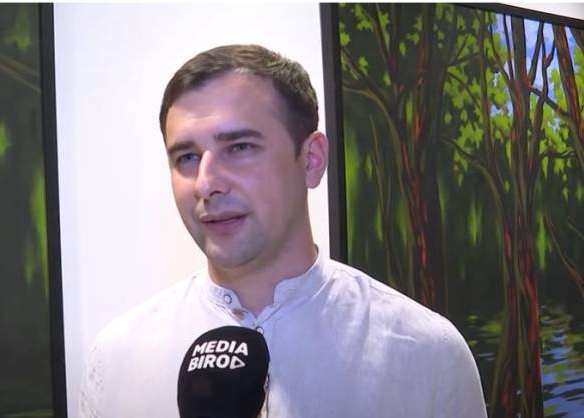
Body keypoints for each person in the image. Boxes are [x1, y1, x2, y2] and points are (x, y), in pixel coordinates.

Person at [79, 44, 486, 418]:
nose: (206, 183)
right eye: (186, 157)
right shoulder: (116, 362)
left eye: (239, 147)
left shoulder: (428, 357)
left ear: (311, 160)